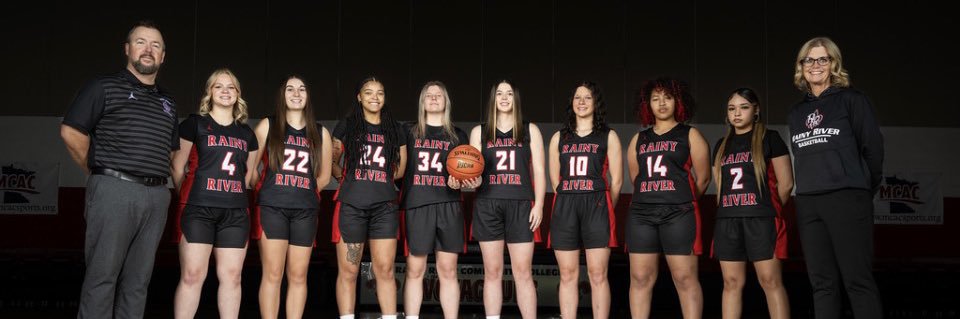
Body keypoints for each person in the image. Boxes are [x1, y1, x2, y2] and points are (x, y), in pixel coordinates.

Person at [60, 20, 178, 319]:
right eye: (140, 42)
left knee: (138, 282)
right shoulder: (103, 86)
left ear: (163, 56)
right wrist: (95, 171)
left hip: (156, 195)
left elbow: (172, 150)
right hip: (115, 189)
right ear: (127, 49)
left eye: (156, 45)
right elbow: (71, 132)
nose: (148, 50)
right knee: (103, 277)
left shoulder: (168, 102)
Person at [788, 37, 884, 319]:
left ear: (833, 64)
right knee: (822, 284)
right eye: (809, 60)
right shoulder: (796, 112)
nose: (815, 65)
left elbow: (873, 151)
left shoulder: (853, 100)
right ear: (801, 66)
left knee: (858, 281)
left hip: (847, 197)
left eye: (822, 59)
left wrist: (862, 189)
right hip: (808, 201)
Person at [169, 68, 259, 319]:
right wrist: (188, 194)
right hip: (198, 208)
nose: (225, 91)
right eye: (219, 86)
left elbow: (247, 176)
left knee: (232, 276)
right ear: (209, 92)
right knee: (192, 275)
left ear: (238, 94)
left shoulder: (247, 134)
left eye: (231, 87)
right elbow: (177, 166)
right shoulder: (194, 124)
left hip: (235, 212)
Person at [625, 77, 710, 319]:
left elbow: (703, 179)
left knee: (684, 277)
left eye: (668, 97)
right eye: (655, 98)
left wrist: (680, 200)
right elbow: (636, 178)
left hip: (679, 212)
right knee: (640, 277)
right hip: (642, 214)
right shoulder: (638, 139)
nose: (661, 103)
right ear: (647, 105)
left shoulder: (690, 134)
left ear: (678, 101)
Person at [253, 76, 332, 319]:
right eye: (290, 89)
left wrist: (304, 192)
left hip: (304, 211)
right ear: (282, 94)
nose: (296, 93)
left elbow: (325, 177)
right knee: (273, 274)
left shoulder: (320, 132)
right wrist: (269, 190)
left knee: (298, 275)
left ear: (308, 96)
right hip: (272, 208)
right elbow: (250, 171)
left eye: (302, 89)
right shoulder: (268, 125)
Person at [330, 77, 407, 319]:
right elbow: (331, 161)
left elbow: (401, 169)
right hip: (352, 207)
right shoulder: (347, 126)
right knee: (350, 270)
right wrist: (347, 179)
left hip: (384, 209)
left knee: (384, 269)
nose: (375, 97)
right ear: (359, 97)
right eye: (368, 92)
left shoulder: (396, 128)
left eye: (380, 92)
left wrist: (379, 179)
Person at [712, 88, 793, 319]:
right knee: (731, 282)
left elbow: (786, 185)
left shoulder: (770, 138)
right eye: (731, 108)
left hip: (761, 219)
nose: (737, 113)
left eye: (744, 107)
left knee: (770, 281)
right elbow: (720, 189)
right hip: (728, 220)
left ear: (756, 110)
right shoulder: (721, 145)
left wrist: (766, 209)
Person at [469, 80, 546, 319]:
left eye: (509, 93)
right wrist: (473, 183)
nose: (504, 97)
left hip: (521, 204)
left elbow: (540, 171)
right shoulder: (479, 131)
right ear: (493, 99)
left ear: (516, 99)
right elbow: (473, 173)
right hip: (487, 204)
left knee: (523, 272)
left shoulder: (529, 129)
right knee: (492, 272)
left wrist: (540, 205)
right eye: (499, 93)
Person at [547, 81, 622, 319]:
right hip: (566, 204)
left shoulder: (608, 136)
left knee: (597, 273)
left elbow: (617, 181)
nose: (581, 102)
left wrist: (606, 207)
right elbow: (555, 182)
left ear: (596, 103)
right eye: (577, 97)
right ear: (571, 103)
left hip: (597, 204)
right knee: (567, 273)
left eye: (587, 97)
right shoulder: (559, 137)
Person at [400, 81, 475, 319]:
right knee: (415, 269)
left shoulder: (457, 135)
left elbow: (467, 174)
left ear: (446, 102)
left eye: (438, 95)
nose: (433, 98)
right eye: (428, 95)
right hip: (417, 204)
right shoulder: (408, 132)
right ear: (422, 102)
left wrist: (461, 183)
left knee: (448, 270)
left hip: (449, 205)